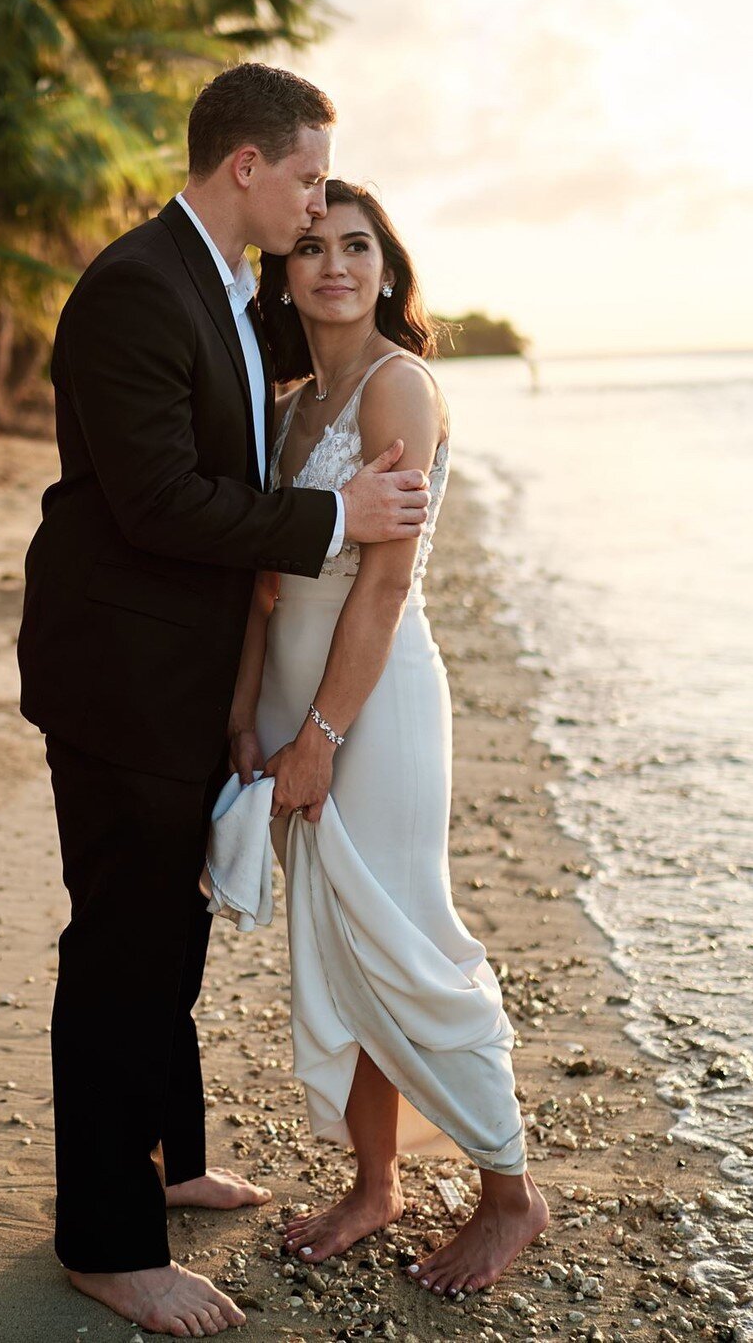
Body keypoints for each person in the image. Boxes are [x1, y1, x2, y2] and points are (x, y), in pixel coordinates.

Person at [16, 66, 433, 1337]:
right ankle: (105, 1237)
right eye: (308, 177)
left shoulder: (221, 288)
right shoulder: (137, 288)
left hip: (187, 680)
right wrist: (335, 517)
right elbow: (156, 503)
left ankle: (170, 1160)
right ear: (245, 165)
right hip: (121, 680)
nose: (317, 209)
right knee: (121, 952)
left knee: (171, 934)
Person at [223, 179, 550, 1298]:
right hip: (290, 701)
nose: (335, 266)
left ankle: (511, 1197)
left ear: (387, 266)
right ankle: (376, 1186)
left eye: (357, 246)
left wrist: (320, 734)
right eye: (312, 246)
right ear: (286, 268)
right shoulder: (291, 403)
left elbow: (384, 585)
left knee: (411, 945)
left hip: (379, 704)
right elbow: (264, 585)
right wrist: (246, 712)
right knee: (344, 958)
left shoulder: (398, 389)